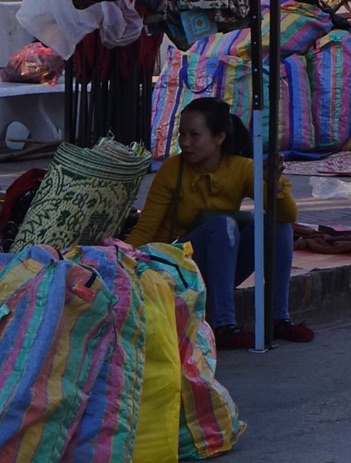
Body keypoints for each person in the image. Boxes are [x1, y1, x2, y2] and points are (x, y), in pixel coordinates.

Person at [126, 98, 313, 348]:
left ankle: (278, 318)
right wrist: (121, 259)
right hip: (177, 269)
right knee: (224, 225)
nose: (185, 143)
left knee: (275, 223)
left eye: (194, 135)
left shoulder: (241, 169)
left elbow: (288, 216)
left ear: (219, 138)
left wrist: (275, 185)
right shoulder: (172, 169)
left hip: (219, 268)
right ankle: (224, 325)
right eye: (182, 134)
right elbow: (146, 226)